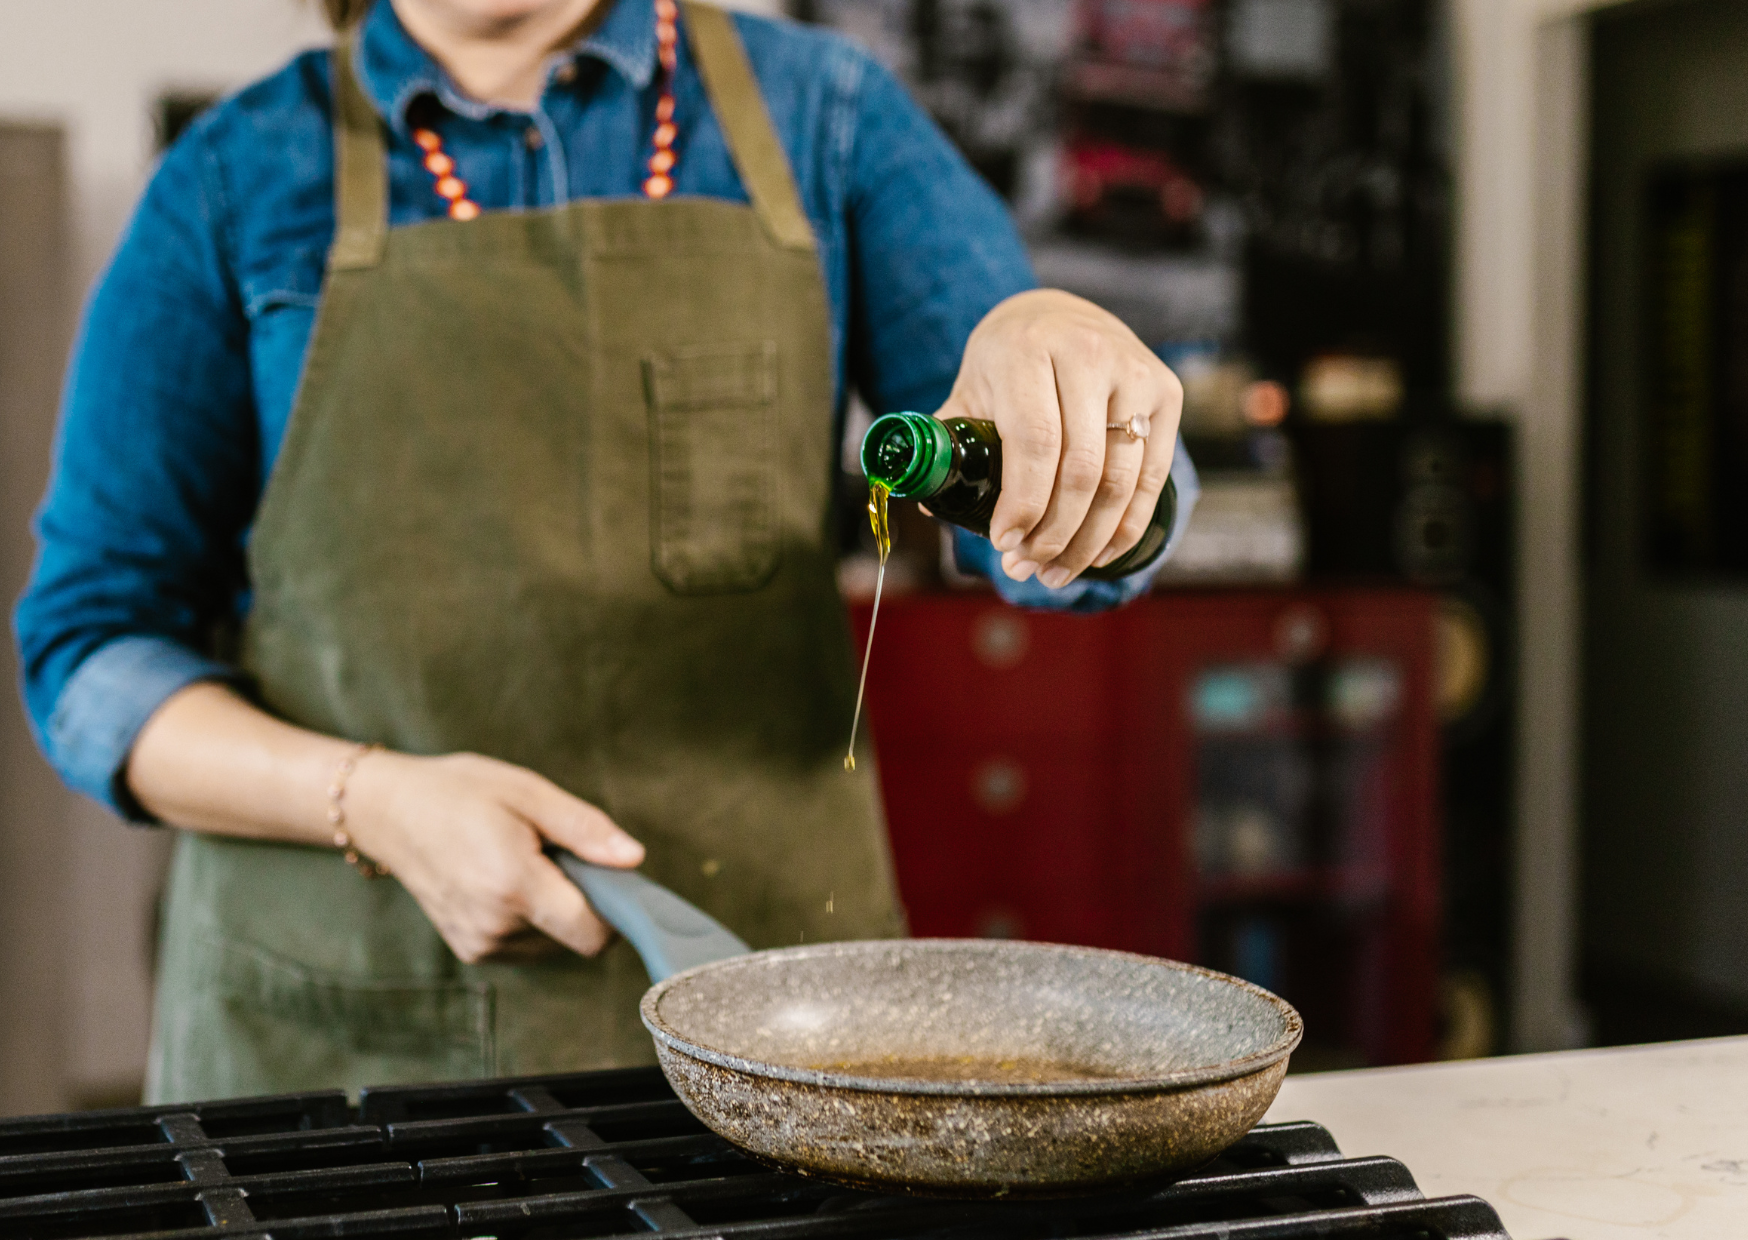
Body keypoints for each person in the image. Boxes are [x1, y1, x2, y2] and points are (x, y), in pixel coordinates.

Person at [14, 0, 1194, 1104]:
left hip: (766, 1042)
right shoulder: (233, 178)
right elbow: (90, 649)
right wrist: (369, 801)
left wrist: (1066, 376)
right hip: (340, 1059)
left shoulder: (823, 117)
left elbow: (1061, 524)